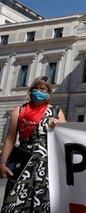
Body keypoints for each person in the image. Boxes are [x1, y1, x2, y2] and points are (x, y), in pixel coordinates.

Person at [0, 76, 66, 212]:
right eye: (36, 88)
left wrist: (59, 124)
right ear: (30, 90)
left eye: (42, 89)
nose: (38, 91)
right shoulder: (18, 110)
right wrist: (2, 163)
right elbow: (10, 139)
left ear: (48, 94)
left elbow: (67, 133)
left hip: (47, 163)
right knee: (13, 204)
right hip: (22, 162)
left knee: (42, 204)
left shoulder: (56, 111)